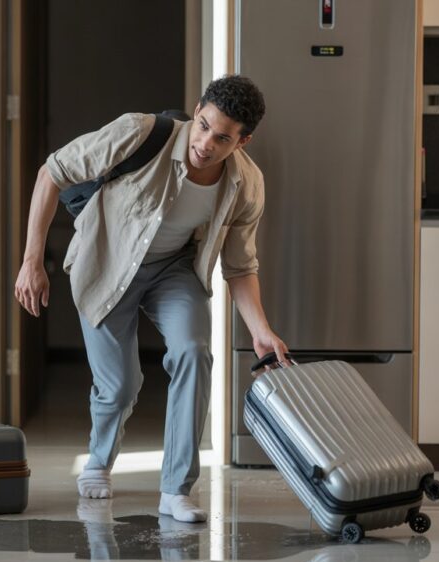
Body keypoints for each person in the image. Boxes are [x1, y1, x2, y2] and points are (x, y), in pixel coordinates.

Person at [15, 75, 288, 523]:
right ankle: (99, 462)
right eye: (203, 126)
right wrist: (32, 262)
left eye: (223, 138)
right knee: (120, 386)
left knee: (194, 352)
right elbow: (53, 172)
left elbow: (240, 266)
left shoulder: (246, 184)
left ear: (243, 141)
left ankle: (176, 490)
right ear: (197, 109)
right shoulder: (139, 132)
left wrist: (261, 330)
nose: (205, 143)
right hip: (106, 263)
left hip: (174, 270)